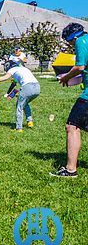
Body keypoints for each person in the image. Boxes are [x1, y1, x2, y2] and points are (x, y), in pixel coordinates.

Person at [51, 23, 88, 178]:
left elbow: (80, 67)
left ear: (72, 37)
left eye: (69, 42)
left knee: (72, 126)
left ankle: (70, 170)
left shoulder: (81, 41)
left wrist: (65, 78)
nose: (71, 46)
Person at [0, 56, 40, 132]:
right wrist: (11, 93)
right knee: (25, 104)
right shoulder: (23, 68)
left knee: (19, 107)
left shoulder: (12, 69)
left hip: (27, 87)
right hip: (37, 87)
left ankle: (19, 128)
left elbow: (5, 77)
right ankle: (30, 121)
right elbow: (17, 83)